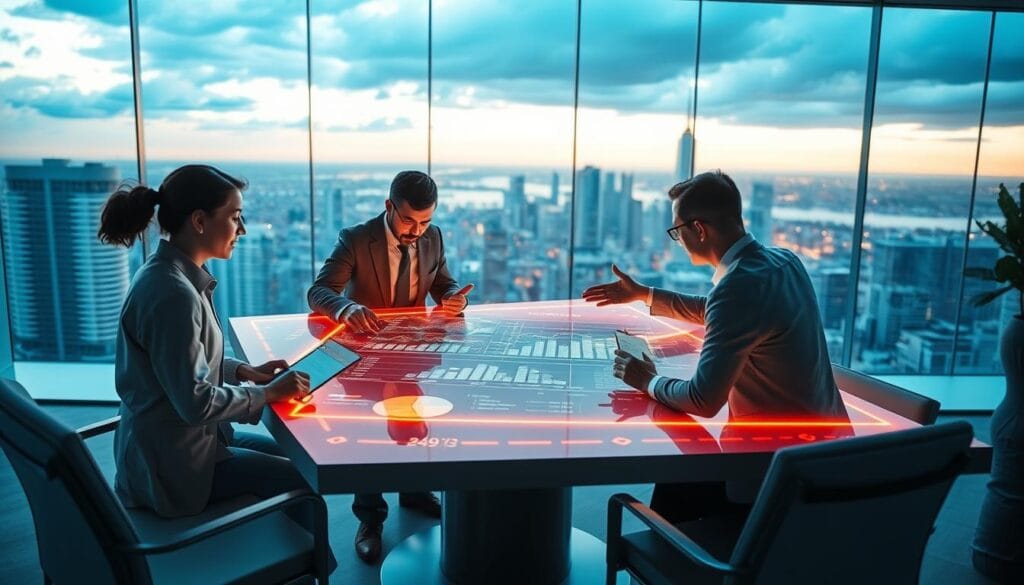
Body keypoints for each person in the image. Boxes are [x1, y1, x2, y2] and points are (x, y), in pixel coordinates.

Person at [98, 165, 333, 569]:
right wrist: (270, 393)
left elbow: (178, 364)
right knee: (301, 481)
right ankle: (310, 570)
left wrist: (244, 371)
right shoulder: (173, 294)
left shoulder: (172, 275)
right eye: (235, 216)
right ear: (200, 221)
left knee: (293, 458)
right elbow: (193, 402)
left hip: (181, 447)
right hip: (174, 471)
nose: (241, 229)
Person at [582, 170, 848, 523]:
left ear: (699, 229)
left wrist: (647, 380)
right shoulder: (784, 262)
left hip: (772, 476)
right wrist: (644, 294)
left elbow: (702, 401)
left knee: (678, 476)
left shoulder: (738, 288)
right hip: (830, 456)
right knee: (681, 474)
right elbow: (721, 311)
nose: (677, 240)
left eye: (677, 231)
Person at [308, 169, 471, 563]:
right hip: (365, 352)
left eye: (425, 221)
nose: (416, 230)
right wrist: (346, 308)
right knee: (370, 438)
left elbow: (442, 283)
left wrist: (453, 299)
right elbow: (318, 292)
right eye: (408, 220)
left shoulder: (433, 237)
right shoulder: (355, 239)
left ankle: (414, 491)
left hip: (412, 350)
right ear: (389, 206)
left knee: (413, 420)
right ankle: (370, 518)